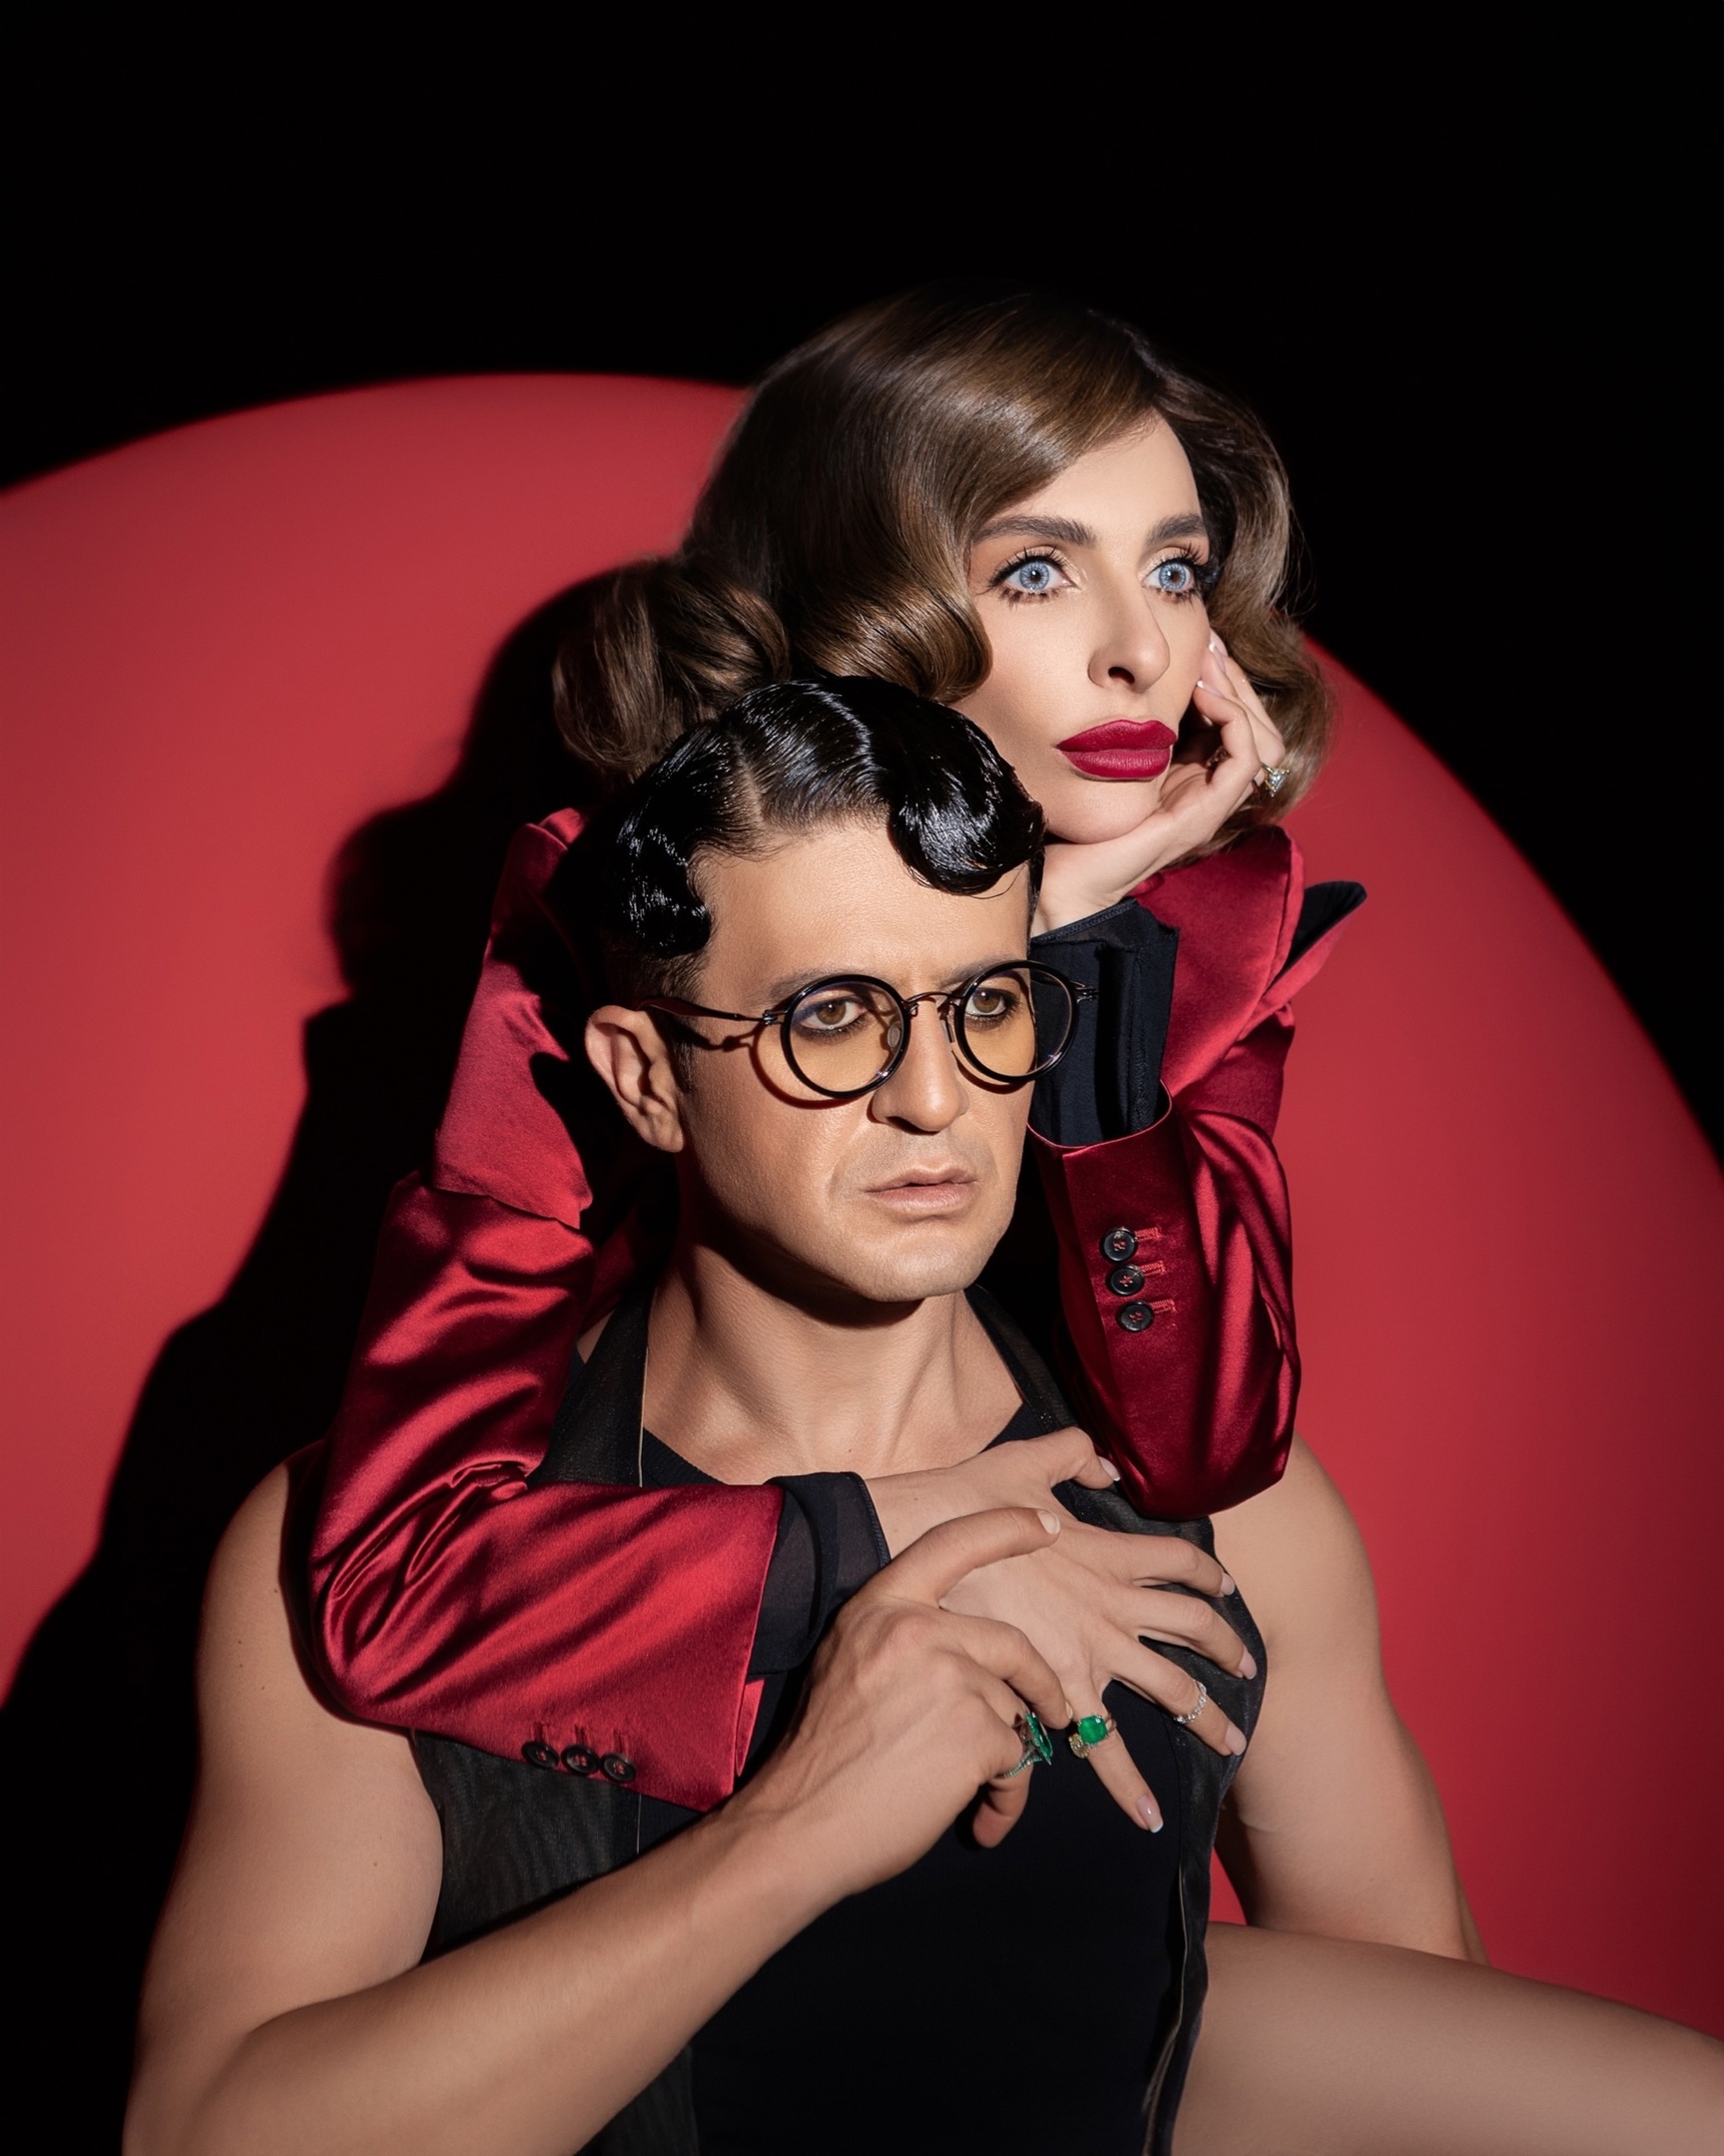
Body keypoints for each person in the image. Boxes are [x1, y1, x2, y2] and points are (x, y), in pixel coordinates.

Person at [129, 685, 1724, 2156]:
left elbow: (1422, 2057)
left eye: (987, 1004)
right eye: (832, 1018)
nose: (935, 1099)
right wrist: (802, 1824)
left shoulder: (1219, 1502)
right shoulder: (386, 1559)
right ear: (647, 1077)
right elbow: (206, 2135)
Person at [306, 286, 1364, 1809]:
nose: (1144, 651)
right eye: (1039, 570)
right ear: (869, 607)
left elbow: (1204, 1446)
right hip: (698, 1522)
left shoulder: (1199, 925)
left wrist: (1070, 948)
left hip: (1046, 1471)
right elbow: (391, 1589)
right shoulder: (629, 917)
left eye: (1176, 568)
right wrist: (885, 1540)